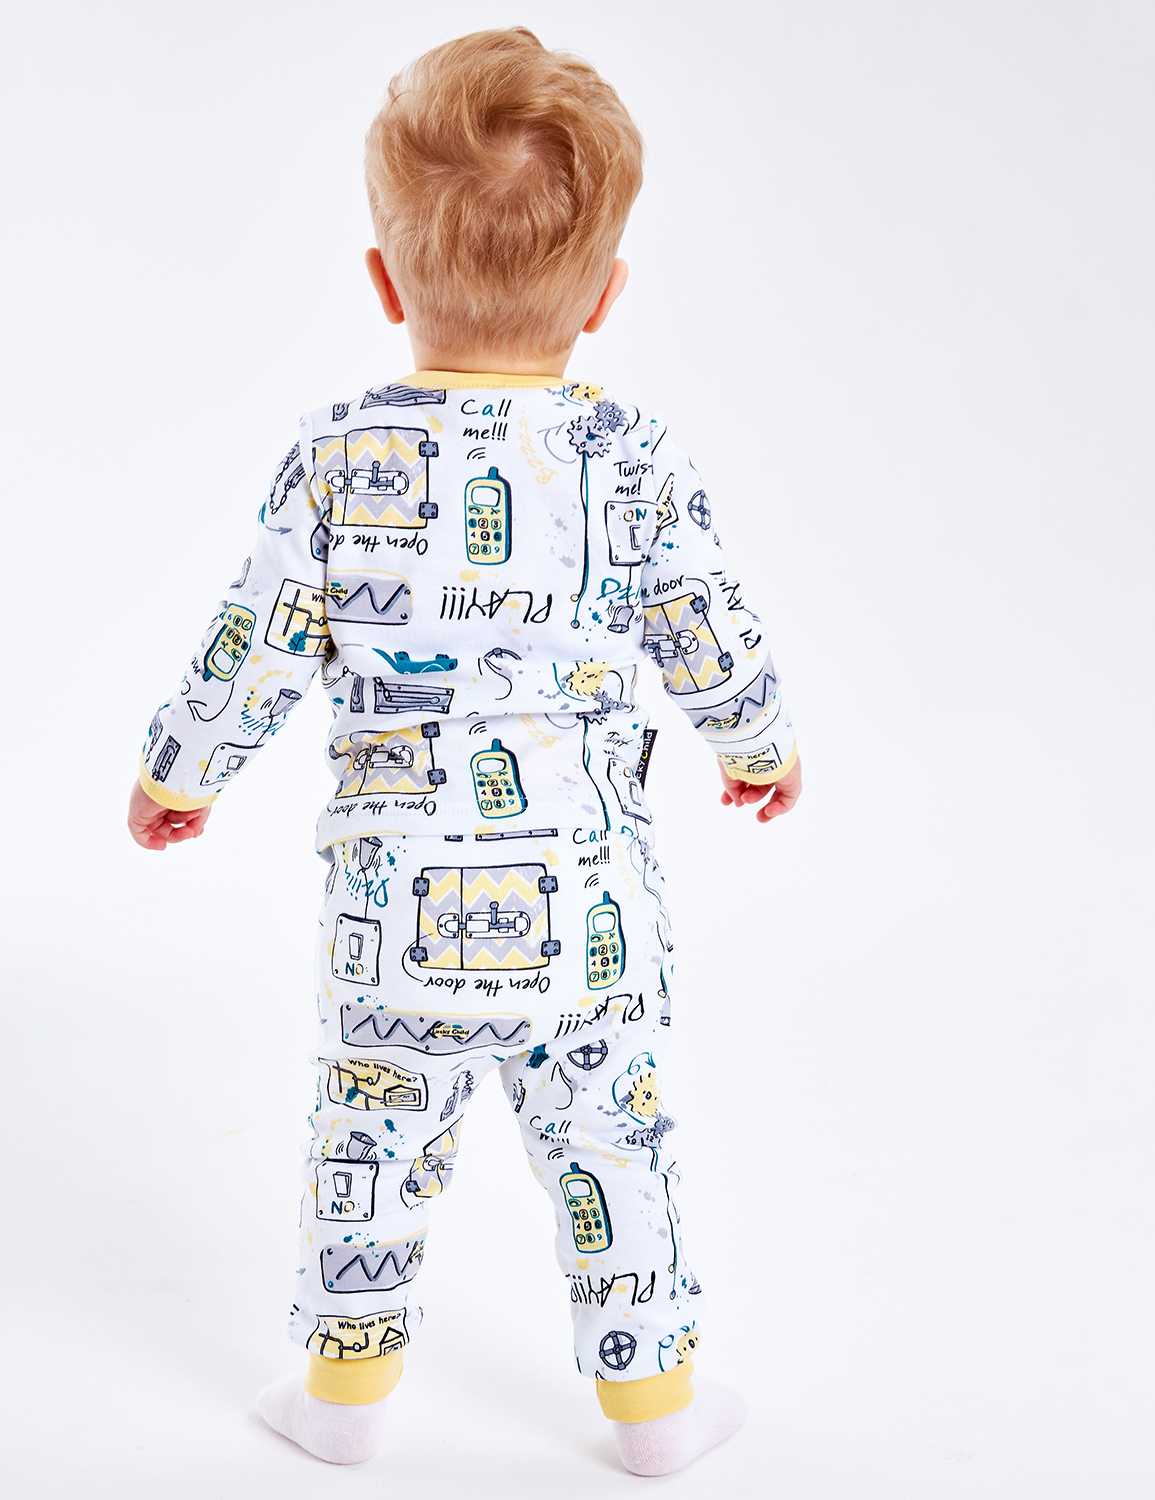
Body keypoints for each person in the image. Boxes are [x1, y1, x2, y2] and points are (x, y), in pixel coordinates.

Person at [126, 27, 801, 1477]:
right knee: (615, 1153)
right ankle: (656, 1414)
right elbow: (707, 625)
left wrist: (178, 772)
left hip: (390, 921)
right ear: (607, 297)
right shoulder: (634, 459)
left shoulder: (336, 456)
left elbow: (251, 643)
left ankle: (341, 1403)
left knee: (367, 1153)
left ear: (385, 282)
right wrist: (760, 745)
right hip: (592, 925)